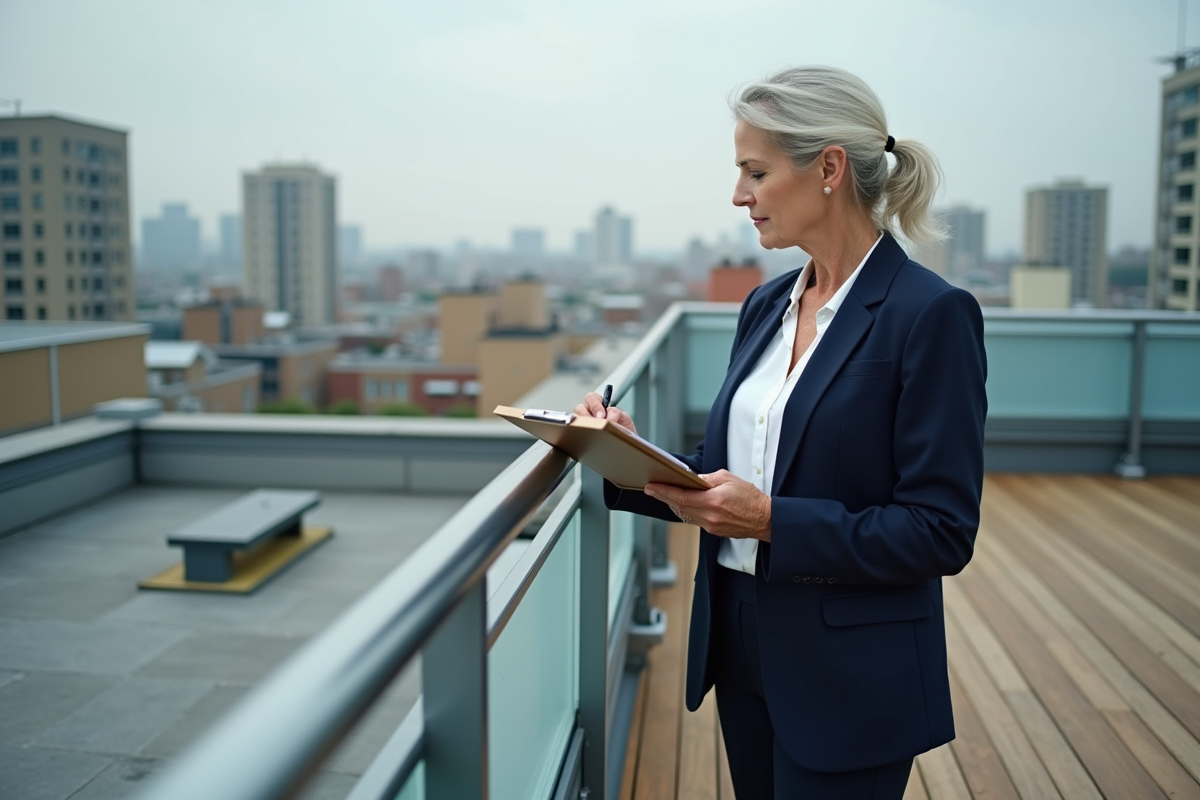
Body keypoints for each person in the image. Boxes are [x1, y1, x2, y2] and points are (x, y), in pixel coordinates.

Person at [576, 65, 987, 799]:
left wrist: (768, 521)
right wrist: (625, 454)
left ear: (829, 168)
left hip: (849, 667)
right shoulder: (766, 306)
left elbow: (940, 531)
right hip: (741, 640)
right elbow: (731, 469)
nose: (739, 196)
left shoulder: (931, 316)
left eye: (755, 172)